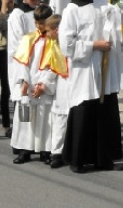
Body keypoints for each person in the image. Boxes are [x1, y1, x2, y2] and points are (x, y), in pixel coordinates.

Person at [59, 0, 123, 173]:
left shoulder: (102, 3)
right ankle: (78, 160)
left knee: (104, 114)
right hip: (84, 69)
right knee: (84, 112)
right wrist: (94, 45)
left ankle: (103, 158)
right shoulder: (71, 11)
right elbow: (67, 46)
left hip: (104, 68)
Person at [9, 5, 58, 164]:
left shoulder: (54, 42)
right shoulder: (28, 38)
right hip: (28, 86)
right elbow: (21, 62)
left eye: (42, 23)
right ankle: (24, 149)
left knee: (45, 119)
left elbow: (54, 64)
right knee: (25, 119)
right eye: (37, 23)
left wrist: (43, 83)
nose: (39, 26)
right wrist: (24, 81)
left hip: (43, 86)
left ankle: (45, 150)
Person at [7, 0, 41, 139]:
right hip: (23, 64)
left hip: (39, 64)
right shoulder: (17, 14)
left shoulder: (41, 12)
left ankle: (36, 142)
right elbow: (18, 43)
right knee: (23, 103)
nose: (35, 2)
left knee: (39, 106)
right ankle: (21, 145)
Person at [46, 14, 69, 169]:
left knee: (62, 119)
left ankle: (60, 152)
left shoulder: (63, 45)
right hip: (59, 85)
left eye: (49, 30)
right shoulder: (53, 44)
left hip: (68, 84)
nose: (47, 34)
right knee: (57, 120)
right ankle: (55, 152)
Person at [0, 0, 15, 137]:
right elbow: (0, 25)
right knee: (6, 88)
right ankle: (6, 123)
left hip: (17, 52)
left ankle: (21, 123)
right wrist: (4, 7)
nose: (10, 2)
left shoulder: (18, 14)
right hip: (3, 50)